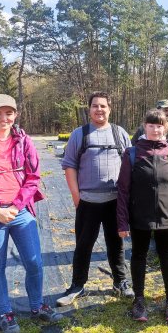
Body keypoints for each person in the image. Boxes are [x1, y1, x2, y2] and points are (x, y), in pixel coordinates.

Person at [0, 94, 63, 333]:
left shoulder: (24, 141)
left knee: (34, 262)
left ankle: (37, 306)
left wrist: (16, 206)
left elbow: (33, 178)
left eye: (8, 113)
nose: (3, 118)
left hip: (20, 211)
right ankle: (5, 313)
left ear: (16, 114)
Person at [57, 91, 134, 306]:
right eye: (95, 106)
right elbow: (69, 166)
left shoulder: (120, 134)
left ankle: (120, 282)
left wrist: (127, 200)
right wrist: (76, 197)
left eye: (103, 106)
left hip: (115, 202)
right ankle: (77, 285)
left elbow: (130, 166)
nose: (99, 110)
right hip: (87, 202)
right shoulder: (79, 135)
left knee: (116, 244)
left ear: (110, 109)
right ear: (89, 110)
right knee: (83, 245)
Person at [116, 108, 168, 322]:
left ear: (165, 127)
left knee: (166, 256)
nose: (155, 129)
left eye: (159, 125)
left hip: (166, 217)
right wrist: (122, 221)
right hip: (139, 217)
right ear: (144, 127)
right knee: (138, 256)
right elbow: (123, 191)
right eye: (151, 125)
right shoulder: (132, 154)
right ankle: (139, 300)